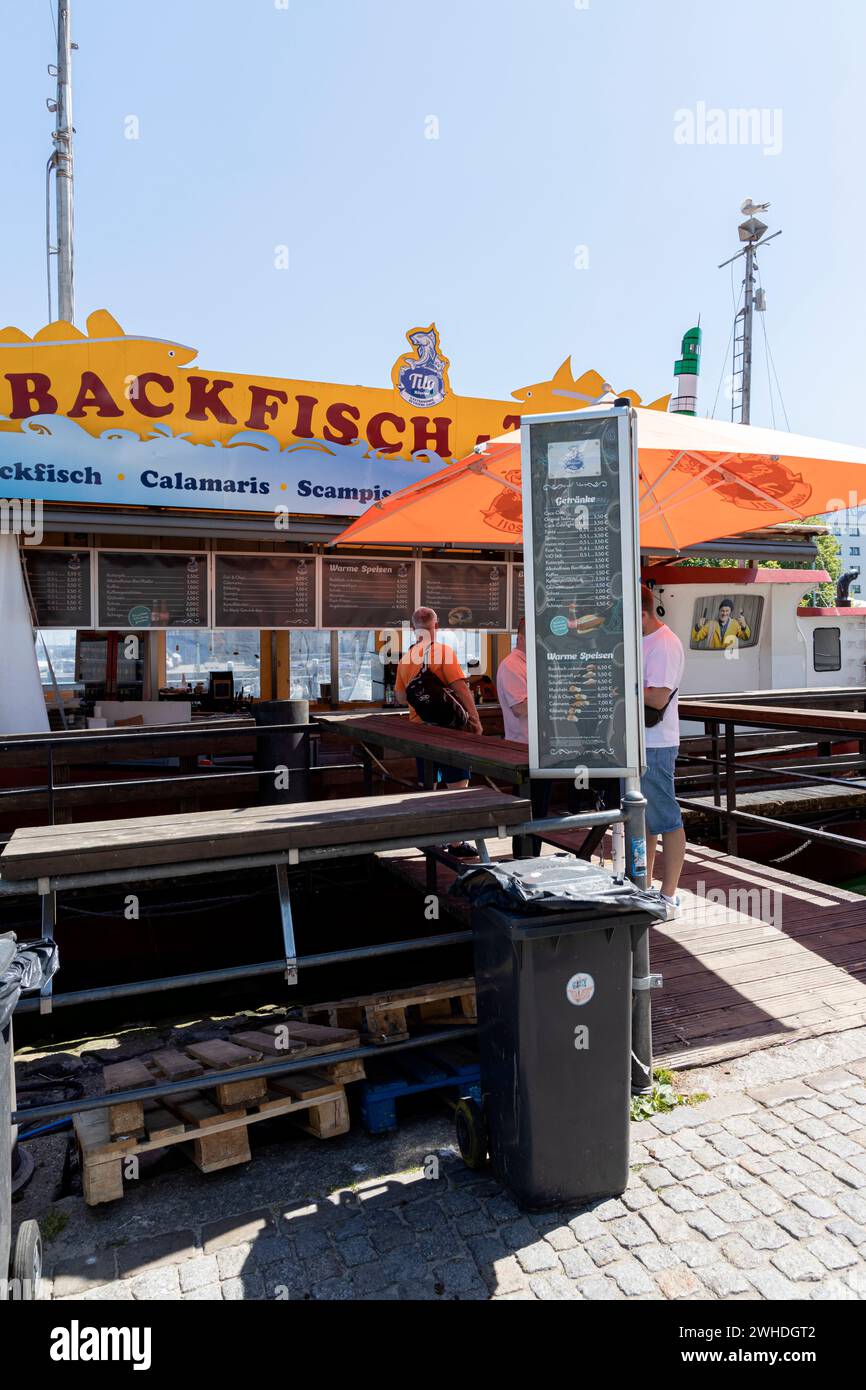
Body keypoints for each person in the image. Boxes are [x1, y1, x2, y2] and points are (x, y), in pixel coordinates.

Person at [394, 604, 481, 791]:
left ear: (413, 629)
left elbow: (401, 697)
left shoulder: (405, 659)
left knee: (427, 787)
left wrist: (424, 699)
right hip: (450, 730)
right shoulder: (444, 653)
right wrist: (475, 720)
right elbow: (461, 689)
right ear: (436, 626)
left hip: (420, 730)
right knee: (457, 787)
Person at [641, 583, 686, 918]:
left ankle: (668, 895)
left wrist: (620, 687)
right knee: (643, 819)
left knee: (667, 818)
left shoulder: (665, 643)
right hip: (642, 742)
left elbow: (657, 697)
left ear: (642, 613)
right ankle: (643, 886)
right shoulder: (646, 641)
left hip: (656, 743)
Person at [496, 618, 529, 742]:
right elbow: (520, 709)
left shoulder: (533, 663)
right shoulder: (511, 665)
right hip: (523, 745)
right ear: (521, 638)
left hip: (541, 744)